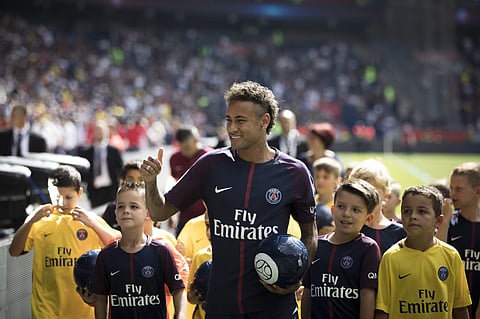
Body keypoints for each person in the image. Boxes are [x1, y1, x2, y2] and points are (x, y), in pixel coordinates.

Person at [141, 81, 317, 319]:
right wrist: (151, 182)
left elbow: (310, 233)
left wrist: (296, 276)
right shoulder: (210, 165)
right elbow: (161, 212)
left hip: (274, 308)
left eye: (240, 120)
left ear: (264, 121)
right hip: (222, 305)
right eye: (228, 120)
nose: (231, 128)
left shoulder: (294, 172)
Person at [8, 165, 119, 319]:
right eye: (57, 196)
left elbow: (119, 248)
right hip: (46, 311)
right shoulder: (40, 221)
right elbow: (13, 251)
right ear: (49, 191)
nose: (62, 202)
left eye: (68, 197)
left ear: (79, 193)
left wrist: (93, 225)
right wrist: (30, 220)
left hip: (83, 311)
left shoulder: (90, 220)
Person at [375, 185, 472, 319]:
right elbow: (382, 311)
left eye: (422, 211)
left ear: (438, 221)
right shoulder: (391, 257)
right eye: (407, 211)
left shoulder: (451, 255)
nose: (413, 216)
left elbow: (460, 308)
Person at [93, 181, 187, 319]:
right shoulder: (106, 256)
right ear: (116, 214)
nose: (126, 211)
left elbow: (178, 290)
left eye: (134, 206)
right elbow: (100, 298)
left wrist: (180, 316)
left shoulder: (160, 251)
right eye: (121, 206)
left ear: (147, 213)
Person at [302, 179, 381, 319]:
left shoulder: (368, 248)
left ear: (368, 218)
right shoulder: (316, 245)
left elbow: (367, 296)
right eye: (341, 206)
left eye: (355, 210)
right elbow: (308, 292)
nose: (346, 214)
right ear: (333, 210)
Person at [437, 162, 480, 317]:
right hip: (451, 307)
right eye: (451, 188)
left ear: (477, 191)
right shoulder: (449, 222)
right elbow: (436, 255)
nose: (452, 194)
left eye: (459, 189)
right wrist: (445, 221)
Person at [349, 159, 406, 254]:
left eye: (373, 191)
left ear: (386, 194)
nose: (366, 196)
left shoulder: (400, 232)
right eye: (360, 191)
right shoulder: (348, 229)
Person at [168, 125, 212, 235]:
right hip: (185, 216)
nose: (184, 151)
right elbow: (174, 185)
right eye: (181, 147)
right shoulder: (175, 158)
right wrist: (169, 213)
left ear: (196, 140)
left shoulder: (210, 157)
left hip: (207, 217)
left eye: (187, 147)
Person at [79, 120, 124, 208]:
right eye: (97, 130)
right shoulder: (86, 152)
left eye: (101, 130)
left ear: (106, 132)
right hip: (95, 191)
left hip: (111, 189)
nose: (99, 133)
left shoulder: (113, 151)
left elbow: (120, 169)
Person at [187, 211, 213, 319]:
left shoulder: (238, 258)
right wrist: (195, 295)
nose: (209, 233)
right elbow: (190, 297)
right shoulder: (201, 257)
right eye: (207, 226)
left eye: (216, 226)